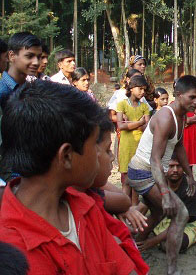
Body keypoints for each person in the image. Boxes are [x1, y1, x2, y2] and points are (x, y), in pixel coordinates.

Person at [0, 80, 137, 274]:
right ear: (66, 156)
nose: (102, 157)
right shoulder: (13, 254)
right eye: (94, 146)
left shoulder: (85, 207)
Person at [127, 75, 196, 275]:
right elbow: (155, 160)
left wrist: (190, 176)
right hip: (142, 172)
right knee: (180, 213)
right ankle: (172, 269)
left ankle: (133, 246)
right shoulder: (166, 117)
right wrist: (165, 194)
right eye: (192, 97)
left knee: (159, 213)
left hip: (151, 171)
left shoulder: (181, 116)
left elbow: (179, 146)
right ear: (178, 95)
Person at [81, 112, 149, 275]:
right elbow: (123, 201)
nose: (112, 157)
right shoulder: (84, 197)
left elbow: (122, 199)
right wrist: (125, 207)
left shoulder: (89, 188)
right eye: (107, 150)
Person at [136, 157, 196, 253]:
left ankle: (158, 237)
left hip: (188, 224)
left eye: (178, 166)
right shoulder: (157, 182)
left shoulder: (192, 189)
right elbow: (143, 206)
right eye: (171, 166)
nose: (175, 170)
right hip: (164, 218)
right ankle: (156, 235)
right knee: (135, 229)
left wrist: (151, 242)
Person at [117, 75, 151, 201]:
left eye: (144, 90)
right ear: (131, 88)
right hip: (126, 146)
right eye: (140, 89)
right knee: (126, 180)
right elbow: (120, 125)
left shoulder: (144, 106)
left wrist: (130, 123)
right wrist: (139, 123)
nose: (142, 92)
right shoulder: (122, 104)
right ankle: (124, 207)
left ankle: (134, 207)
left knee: (136, 179)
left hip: (140, 146)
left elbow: (147, 127)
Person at [0, 32, 42, 110]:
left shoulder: (30, 88)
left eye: (39, 57)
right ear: (12, 56)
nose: (36, 62)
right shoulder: (3, 92)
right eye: (29, 56)